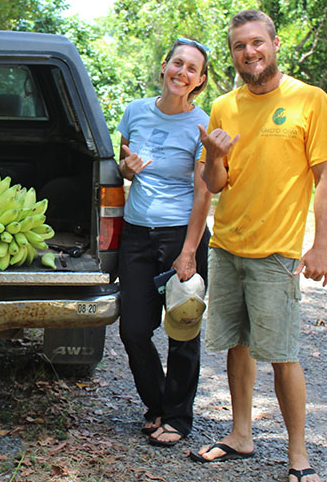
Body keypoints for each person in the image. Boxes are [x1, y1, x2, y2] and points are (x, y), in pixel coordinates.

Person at [191, 10, 327, 482]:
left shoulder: (309, 100)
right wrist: (215, 157)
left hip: (277, 253)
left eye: (257, 42)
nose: (249, 52)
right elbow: (215, 183)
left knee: (282, 352)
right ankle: (240, 435)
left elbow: (326, 180)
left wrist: (320, 247)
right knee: (237, 345)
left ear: (275, 43)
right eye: (239, 46)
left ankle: (299, 455)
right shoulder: (223, 106)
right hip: (228, 247)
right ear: (232, 53)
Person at [117, 38, 213, 448]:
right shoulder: (135, 111)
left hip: (181, 236)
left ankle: (176, 417)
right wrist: (127, 168)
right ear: (164, 66)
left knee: (183, 330)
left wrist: (189, 250)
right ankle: (156, 404)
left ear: (201, 80)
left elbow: (204, 190)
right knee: (133, 330)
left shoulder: (201, 124)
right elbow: (119, 166)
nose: (183, 73)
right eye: (178, 63)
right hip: (136, 233)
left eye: (193, 69)